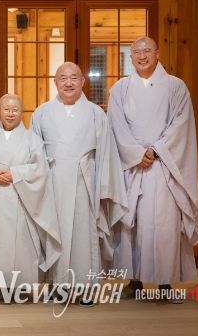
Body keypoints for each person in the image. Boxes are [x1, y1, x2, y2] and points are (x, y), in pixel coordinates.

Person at [109, 37, 198, 302]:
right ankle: (133, 282)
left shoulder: (175, 86)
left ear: (157, 54)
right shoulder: (120, 89)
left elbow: (182, 124)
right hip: (132, 167)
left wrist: (156, 149)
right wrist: (136, 154)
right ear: (131, 57)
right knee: (131, 224)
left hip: (164, 166)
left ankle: (165, 284)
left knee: (165, 225)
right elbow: (116, 126)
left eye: (147, 51)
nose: (142, 56)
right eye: (136, 52)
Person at [30, 62, 127, 307]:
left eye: (74, 78)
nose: (68, 83)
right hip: (52, 181)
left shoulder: (95, 113)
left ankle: (86, 287)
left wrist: (104, 188)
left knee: (84, 234)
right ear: (55, 82)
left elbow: (105, 152)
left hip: (86, 180)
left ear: (83, 81)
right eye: (63, 78)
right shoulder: (42, 113)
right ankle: (56, 284)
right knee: (55, 232)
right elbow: (34, 153)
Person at [0, 94, 61, 302]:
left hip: (23, 197)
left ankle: (23, 286)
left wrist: (16, 173)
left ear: (22, 112)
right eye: (6, 109)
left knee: (24, 243)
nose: (10, 113)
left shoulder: (32, 139)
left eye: (15, 109)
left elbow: (40, 169)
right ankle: (1, 286)